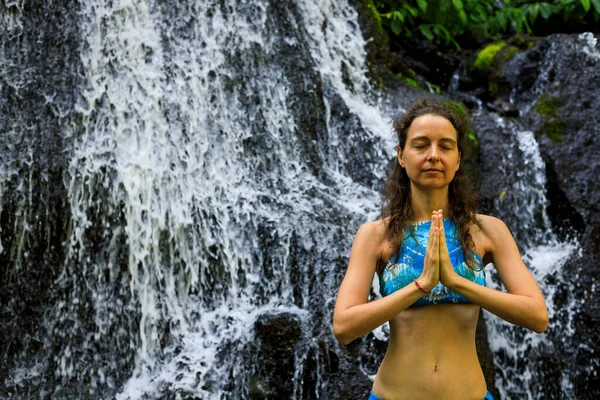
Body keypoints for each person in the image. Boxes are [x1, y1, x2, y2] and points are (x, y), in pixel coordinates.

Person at [332, 99, 548, 400]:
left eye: (445, 146)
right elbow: (343, 326)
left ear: (458, 159)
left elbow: (538, 316)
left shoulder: (488, 230)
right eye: (421, 145)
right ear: (402, 156)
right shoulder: (374, 236)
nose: (434, 155)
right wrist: (421, 285)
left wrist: (456, 281)